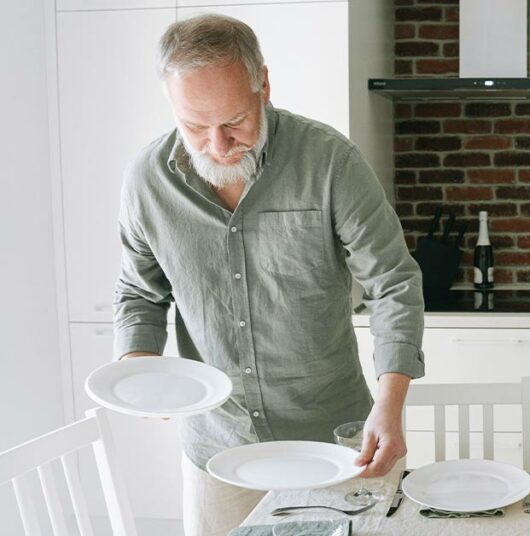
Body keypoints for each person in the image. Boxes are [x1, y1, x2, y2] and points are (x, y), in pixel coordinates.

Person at [113, 14, 424, 535]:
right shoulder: (147, 180)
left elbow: (393, 282)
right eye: (194, 126)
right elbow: (139, 291)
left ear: (264, 85)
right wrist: (141, 370)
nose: (217, 144)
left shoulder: (329, 161)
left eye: (234, 121)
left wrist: (391, 403)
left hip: (335, 443)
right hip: (218, 450)